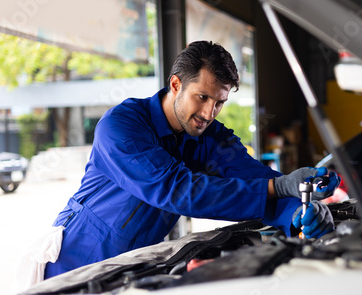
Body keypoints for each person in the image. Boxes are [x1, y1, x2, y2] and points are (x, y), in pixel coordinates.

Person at [44, 41, 340, 279]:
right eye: (202, 97)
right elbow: (175, 189)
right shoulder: (121, 127)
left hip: (133, 265)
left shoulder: (210, 136)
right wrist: (281, 187)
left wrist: (299, 211)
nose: (209, 113)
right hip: (75, 259)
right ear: (175, 85)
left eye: (219, 103)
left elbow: (255, 178)